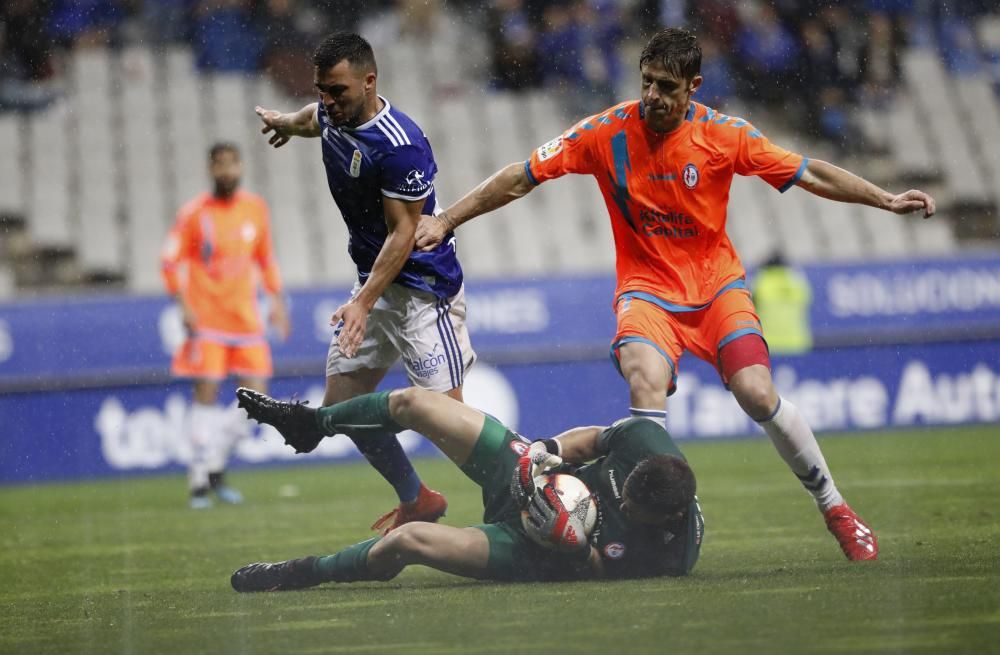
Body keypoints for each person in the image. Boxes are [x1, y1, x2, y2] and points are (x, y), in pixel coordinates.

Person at [414, 27, 938, 561]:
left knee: (757, 394)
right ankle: (645, 525)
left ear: (694, 86)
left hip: (717, 290)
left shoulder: (725, 135)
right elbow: (520, 177)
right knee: (646, 380)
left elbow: (810, 173)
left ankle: (835, 507)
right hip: (647, 293)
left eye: (666, 87)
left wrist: (885, 199)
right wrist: (448, 218)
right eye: (646, 83)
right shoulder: (604, 132)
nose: (653, 97)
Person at [253, 32, 476, 534]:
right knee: (345, 409)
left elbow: (403, 235)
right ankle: (416, 498)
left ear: (369, 81)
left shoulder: (400, 146)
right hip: (373, 283)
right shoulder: (333, 114)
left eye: (338, 91)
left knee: (452, 425)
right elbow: (315, 119)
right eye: (322, 90)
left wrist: (362, 302)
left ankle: (532, 492)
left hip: (422, 292)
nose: (328, 101)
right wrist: (287, 123)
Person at [229, 385, 704, 591]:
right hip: (532, 476)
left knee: (409, 541)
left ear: (669, 518)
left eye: (630, 509)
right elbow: (590, 440)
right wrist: (544, 448)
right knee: (415, 403)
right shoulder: (647, 441)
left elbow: (601, 571)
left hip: (537, 550)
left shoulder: (672, 555)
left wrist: (576, 548)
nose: (620, 504)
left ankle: (302, 572)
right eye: (623, 493)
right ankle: (313, 424)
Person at [161, 142, 291, 509]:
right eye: (220, 165)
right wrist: (184, 305)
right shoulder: (194, 214)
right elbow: (170, 263)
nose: (227, 172)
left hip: (247, 321)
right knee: (206, 396)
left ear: (241, 166)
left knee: (258, 402)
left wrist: (277, 301)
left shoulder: (255, 208)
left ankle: (214, 463)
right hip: (208, 321)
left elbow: (265, 259)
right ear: (210, 169)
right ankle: (199, 481)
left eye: (232, 164)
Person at [751, 252, 813, 355]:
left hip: (769, 345)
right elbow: (808, 300)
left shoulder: (760, 282)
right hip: (797, 345)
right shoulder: (797, 283)